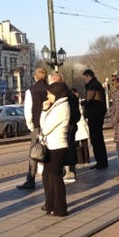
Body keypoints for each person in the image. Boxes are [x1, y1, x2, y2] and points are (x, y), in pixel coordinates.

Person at [40, 82, 70, 216]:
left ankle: (60, 208)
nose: (47, 95)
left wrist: (45, 111)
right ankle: (50, 204)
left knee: (55, 178)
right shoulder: (56, 106)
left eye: (49, 93)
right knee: (47, 176)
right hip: (52, 145)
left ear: (56, 93)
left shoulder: (61, 108)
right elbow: (43, 125)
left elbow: (45, 128)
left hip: (57, 146)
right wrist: (44, 110)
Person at [17, 68, 49, 190]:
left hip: (37, 125)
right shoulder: (50, 89)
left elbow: (28, 111)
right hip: (49, 124)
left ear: (35, 77)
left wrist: (30, 125)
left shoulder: (31, 91)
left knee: (34, 152)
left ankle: (31, 179)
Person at [48, 71, 79, 183]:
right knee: (68, 148)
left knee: (66, 149)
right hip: (70, 126)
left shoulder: (64, 97)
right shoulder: (70, 94)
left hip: (65, 127)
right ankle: (69, 171)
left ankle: (69, 171)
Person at [82, 69, 108, 170]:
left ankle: (100, 161)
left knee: (95, 139)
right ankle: (102, 161)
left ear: (88, 76)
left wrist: (83, 103)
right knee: (99, 139)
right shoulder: (97, 84)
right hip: (98, 114)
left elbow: (89, 100)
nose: (85, 80)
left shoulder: (92, 86)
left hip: (94, 115)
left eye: (85, 78)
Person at [71, 88, 91, 165]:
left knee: (77, 145)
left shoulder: (72, 103)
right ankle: (86, 159)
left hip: (76, 125)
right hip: (82, 124)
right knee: (84, 143)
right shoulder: (81, 102)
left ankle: (79, 160)